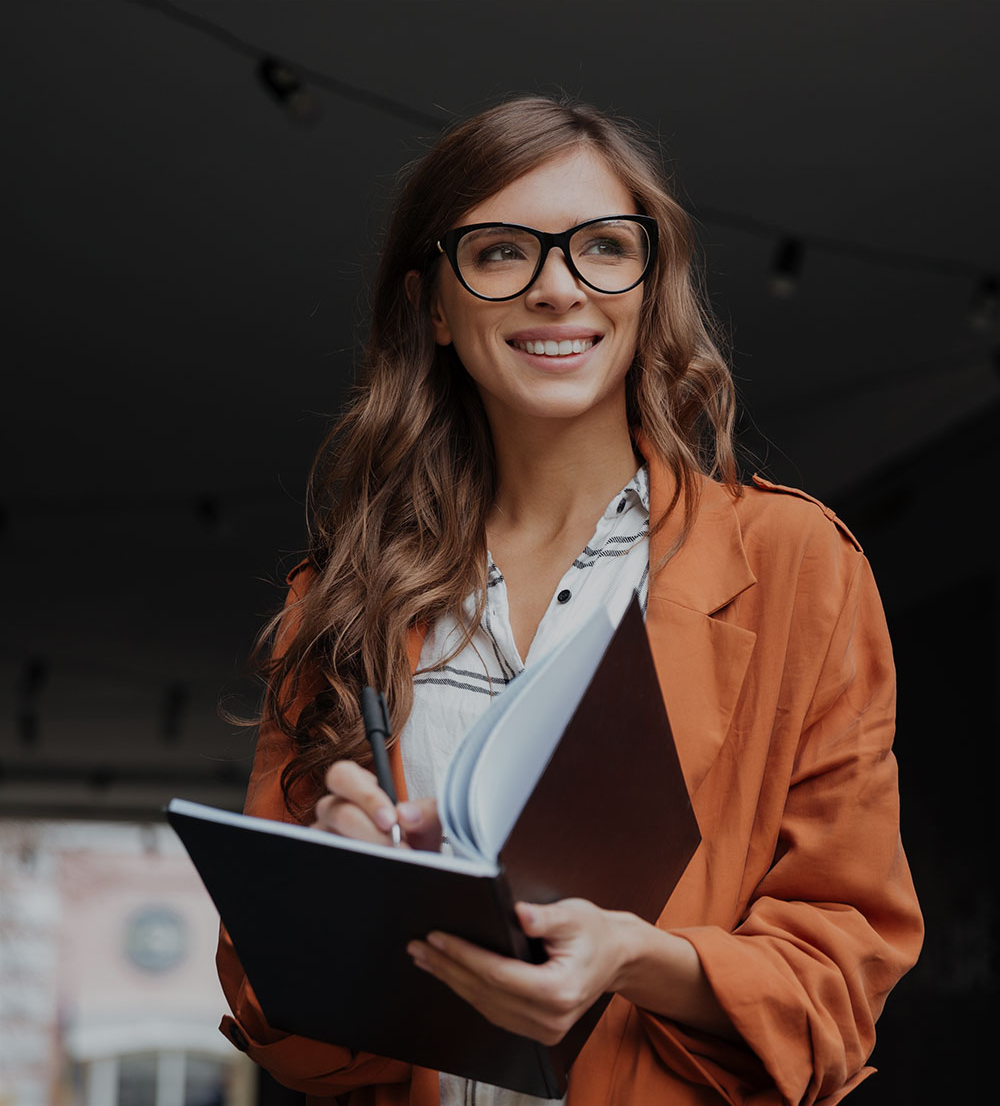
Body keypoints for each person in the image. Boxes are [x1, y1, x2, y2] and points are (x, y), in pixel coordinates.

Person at [216, 97, 923, 1106]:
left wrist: (635, 958)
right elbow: (284, 1029)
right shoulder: (340, 602)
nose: (557, 288)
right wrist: (336, 902)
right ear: (433, 307)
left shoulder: (794, 563)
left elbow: (843, 970)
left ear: (648, 285)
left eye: (601, 247)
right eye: (502, 252)